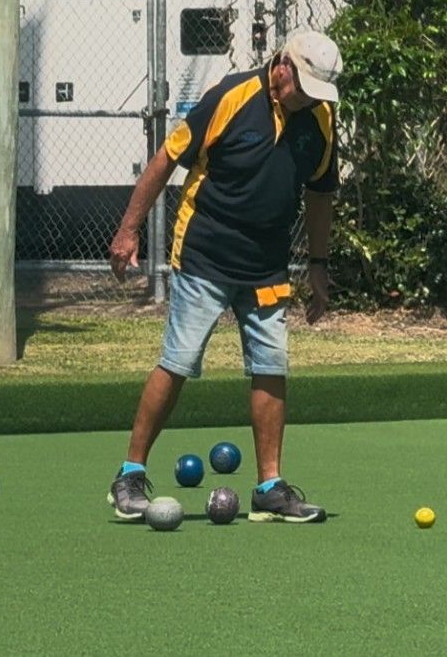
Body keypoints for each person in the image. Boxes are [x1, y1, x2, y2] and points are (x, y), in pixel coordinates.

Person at [106, 30, 342, 524]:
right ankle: (129, 474)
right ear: (283, 67)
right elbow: (166, 159)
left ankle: (270, 487)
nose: (310, 99)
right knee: (178, 361)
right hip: (205, 255)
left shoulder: (320, 118)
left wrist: (318, 265)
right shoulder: (232, 96)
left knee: (271, 367)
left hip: (267, 265)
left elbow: (320, 195)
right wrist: (129, 229)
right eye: (306, 87)